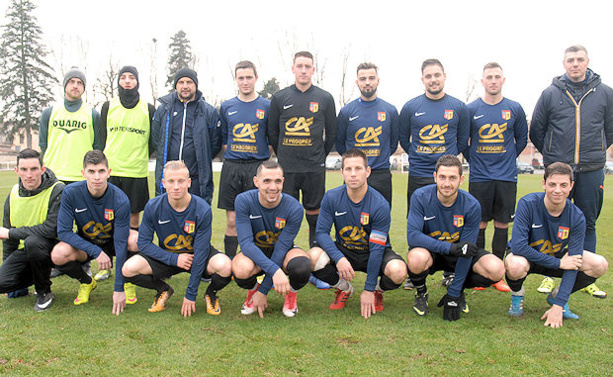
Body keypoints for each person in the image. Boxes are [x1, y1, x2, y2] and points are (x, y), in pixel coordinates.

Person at [530, 45, 613, 299]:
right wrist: (553, 157)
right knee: (553, 222)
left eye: (579, 59)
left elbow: (609, 130)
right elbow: (537, 130)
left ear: (588, 61)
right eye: (570, 60)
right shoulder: (550, 94)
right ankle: (549, 273)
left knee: (587, 222)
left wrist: (596, 152)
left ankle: (585, 278)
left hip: (591, 169)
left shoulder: (605, 93)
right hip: (559, 170)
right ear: (564, 63)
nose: (575, 64)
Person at [505, 162, 608, 328]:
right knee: (515, 265)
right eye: (552, 184)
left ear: (571, 186)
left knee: (599, 264)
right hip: (528, 257)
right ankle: (517, 294)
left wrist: (559, 305)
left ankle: (557, 297)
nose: (557, 190)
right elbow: (518, 246)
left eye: (563, 185)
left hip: (556, 256)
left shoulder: (576, 216)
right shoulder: (528, 203)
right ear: (544, 184)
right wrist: (559, 263)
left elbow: (573, 261)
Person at [122, 161, 232, 316]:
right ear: (163, 183)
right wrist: (174, 259)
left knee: (225, 266)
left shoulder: (202, 209)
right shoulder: (153, 206)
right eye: (171, 181)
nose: (176, 186)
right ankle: (163, 289)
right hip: (167, 257)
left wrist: (190, 294)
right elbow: (143, 243)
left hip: (195, 257)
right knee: (128, 269)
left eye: (181, 181)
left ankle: (210, 294)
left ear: (188, 183)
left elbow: (201, 251)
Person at [309, 149, 407, 319]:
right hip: (346, 251)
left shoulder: (379, 204)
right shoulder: (332, 197)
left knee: (398, 271)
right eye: (348, 169)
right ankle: (344, 288)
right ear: (342, 172)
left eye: (358, 169)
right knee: (312, 257)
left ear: (367, 172)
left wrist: (368, 289)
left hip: (372, 252)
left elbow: (377, 250)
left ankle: (377, 291)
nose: (353, 174)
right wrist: (338, 258)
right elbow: (322, 233)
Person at [399, 59, 470, 289]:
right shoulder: (411, 107)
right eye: (428, 76)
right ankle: (415, 271)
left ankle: (450, 270)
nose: (433, 79)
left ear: (444, 76)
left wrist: (445, 165)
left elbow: (461, 140)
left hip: (447, 175)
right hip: (419, 173)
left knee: (451, 222)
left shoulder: (458, 107)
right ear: (422, 80)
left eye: (437, 75)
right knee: (417, 223)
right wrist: (421, 157)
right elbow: (403, 139)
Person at [406, 154, 504, 321]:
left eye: (452, 178)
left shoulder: (471, 205)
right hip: (433, 253)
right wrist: (449, 247)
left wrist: (454, 294)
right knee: (415, 258)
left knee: (496, 268)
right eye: (442, 177)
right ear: (435, 177)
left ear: (461, 179)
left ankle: (458, 289)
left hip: (459, 256)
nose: (446, 183)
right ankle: (421, 292)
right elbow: (413, 236)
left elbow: (467, 250)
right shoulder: (420, 196)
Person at [464, 62, 528, 292]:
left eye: (497, 77)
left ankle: (498, 274)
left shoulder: (514, 108)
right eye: (489, 77)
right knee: (479, 223)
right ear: (482, 81)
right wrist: (477, 161)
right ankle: (480, 269)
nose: (493, 80)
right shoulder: (471, 109)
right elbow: (464, 142)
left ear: (503, 80)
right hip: (480, 177)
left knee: (502, 223)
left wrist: (507, 158)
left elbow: (521, 139)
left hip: (506, 177)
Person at [51, 150, 137, 316]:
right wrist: (96, 251)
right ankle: (86, 282)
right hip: (88, 244)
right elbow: (63, 232)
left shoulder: (120, 199)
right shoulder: (70, 193)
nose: (97, 177)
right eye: (91, 171)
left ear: (108, 173)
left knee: (135, 240)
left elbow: (120, 243)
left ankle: (128, 281)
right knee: (58, 254)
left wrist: (118, 288)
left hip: (112, 242)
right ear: (83, 173)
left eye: (101, 171)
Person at [268, 51, 337, 248]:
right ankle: (282, 257)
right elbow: (273, 132)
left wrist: (319, 155)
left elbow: (331, 133)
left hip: (313, 168)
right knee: (283, 215)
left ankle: (315, 261)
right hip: (287, 168)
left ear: (313, 70)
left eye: (308, 67)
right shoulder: (280, 97)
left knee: (314, 214)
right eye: (300, 66)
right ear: (293, 69)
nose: (304, 71)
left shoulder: (325, 98)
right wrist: (283, 156)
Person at [97, 65, 155, 282]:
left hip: (136, 172)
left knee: (132, 218)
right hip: (112, 172)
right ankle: (106, 265)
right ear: (118, 81)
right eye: (123, 77)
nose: (128, 81)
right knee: (108, 219)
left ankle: (132, 261)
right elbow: (102, 138)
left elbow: (152, 143)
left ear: (137, 81)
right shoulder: (108, 106)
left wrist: (137, 157)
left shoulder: (148, 108)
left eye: (132, 77)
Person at [232, 160, 311, 318]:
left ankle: (291, 294)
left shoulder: (294, 207)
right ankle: (253, 290)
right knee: (239, 268)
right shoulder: (243, 201)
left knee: (302, 266)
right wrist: (275, 271)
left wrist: (264, 290)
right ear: (256, 182)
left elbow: (282, 248)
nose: (273, 187)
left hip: (282, 251)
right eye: (266, 181)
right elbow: (246, 244)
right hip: (255, 251)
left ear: (283, 181)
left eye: (277, 181)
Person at [218, 61, 271, 259]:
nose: (245, 81)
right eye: (241, 78)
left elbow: (271, 140)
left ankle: (257, 263)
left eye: (249, 77)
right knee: (232, 220)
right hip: (232, 168)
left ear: (256, 78)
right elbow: (224, 140)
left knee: (258, 219)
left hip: (256, 168)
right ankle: (229, 264)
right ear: (236, 80)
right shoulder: (227, 106)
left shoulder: (267, 105)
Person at [0, 149, 64, 311]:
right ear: (17, 171)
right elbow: (9, 238)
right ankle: (31, 280)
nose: (29, 175)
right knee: (2, 283)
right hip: (26, 251)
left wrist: (10, 233)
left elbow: (51, 229)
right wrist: (8, 265)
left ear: (43, 170)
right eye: (24, 169)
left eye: (34, 169)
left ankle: (44, 291)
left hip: (55, 249)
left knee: (34, 242)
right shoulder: (13, 194)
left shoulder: (57, 189)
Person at [152, 68, 221, 204]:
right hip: (170, 178)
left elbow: (214, 144)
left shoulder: (208, 111)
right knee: (167, 219)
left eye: (189, 82)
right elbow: (156, 140)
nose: (185, 86)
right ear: (176, 85)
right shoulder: (163, 109)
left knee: (195, 220)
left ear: (195, 84)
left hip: (196, 179)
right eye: (181, 82)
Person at [336, 62, 399, 205]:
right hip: (354, 173)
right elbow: (340, 143)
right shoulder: (346, 111)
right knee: (351, 218)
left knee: (380, 219)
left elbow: (393, 143)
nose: (367, 82)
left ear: (378, 80)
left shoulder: (390, 110)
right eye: (363, 79)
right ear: (357, 82)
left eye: (371, 78)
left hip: (380, 173)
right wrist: (355, 163)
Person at [39, 67, 102, 184]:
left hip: (82, 176)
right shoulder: (49, 112)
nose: (75, 86)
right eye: (71, 82)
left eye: (79, 83)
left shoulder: (93, 114)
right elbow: (43, 144)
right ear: (65, 85)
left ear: (83, 88)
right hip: (53, 175)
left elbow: (98, 146)